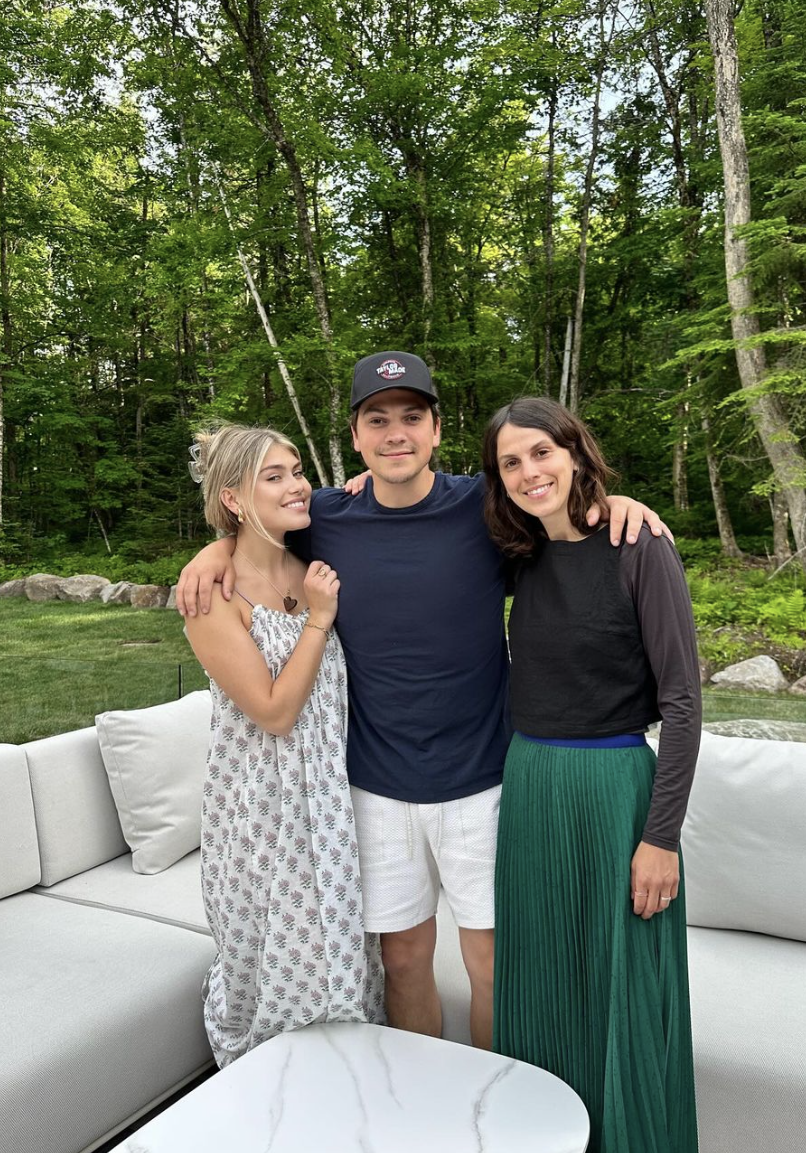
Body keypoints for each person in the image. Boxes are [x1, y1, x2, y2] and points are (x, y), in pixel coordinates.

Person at [177, 352, 667, 1051]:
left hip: (485, 778)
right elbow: (258, 524)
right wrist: (214, 552)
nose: (395, 433)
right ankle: (425, 1108)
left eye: (412, 417)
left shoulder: (486, 505)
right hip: (374, 785)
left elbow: (561, 513)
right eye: (378, 419)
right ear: (356, 436)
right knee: (401, 962)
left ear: (437, 429)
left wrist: (613, 502)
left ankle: (493, 1105)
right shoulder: (327, 515)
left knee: (493, 965)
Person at [481, 396, 700, 1153]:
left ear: (575, 452)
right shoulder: (517, 555)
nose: (529, 472)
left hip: (615, 793)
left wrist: (660, 838)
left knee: (624, 993)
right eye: (511, 462)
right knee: (542, 982)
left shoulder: (641, 546)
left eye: (542, 452)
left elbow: (683, 701)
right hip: (532, 785)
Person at [183, 423, 383, 1068]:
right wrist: (319, 619)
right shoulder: (213, 596)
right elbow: (273, 712)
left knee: (344, 961)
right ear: (235, 498)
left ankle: (347, 1104)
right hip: (261, 816)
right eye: (275, 476)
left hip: (329, 804)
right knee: (280, 970)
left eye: (297, 469)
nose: (298, 485)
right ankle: (267, 1106)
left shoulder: (313, 562)